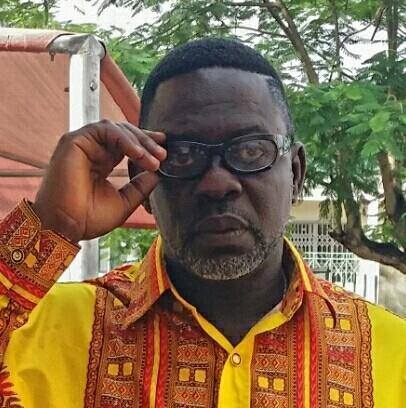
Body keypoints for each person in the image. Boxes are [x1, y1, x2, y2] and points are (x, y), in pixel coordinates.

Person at [0, 38, 404, 408]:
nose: (217, 183)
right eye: (182, 154)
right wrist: (50, 226)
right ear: (144, 178)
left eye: (250, 150)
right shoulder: (51, 331)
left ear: (295, 174)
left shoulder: (390, 354)